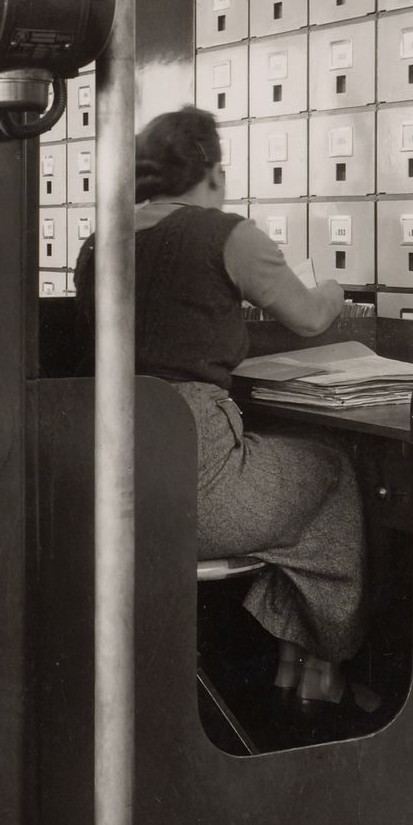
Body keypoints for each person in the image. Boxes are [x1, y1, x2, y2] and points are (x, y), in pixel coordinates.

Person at [74, 105, 371, 713]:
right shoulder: (227, 234)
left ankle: (290, 662)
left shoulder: (96, 243)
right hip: (196, 478)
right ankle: (325, 665)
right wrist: (337, 287)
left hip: (108, 487)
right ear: (209, 168)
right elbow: (311, 317)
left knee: (284, 482)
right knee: (334, 470)